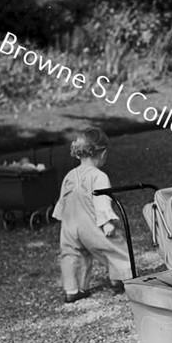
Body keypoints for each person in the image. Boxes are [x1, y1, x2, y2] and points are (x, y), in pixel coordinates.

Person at [52, 128, 131, 303]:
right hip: (90, 224)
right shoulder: (98, 176)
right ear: (102, 153)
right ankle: (121, 279)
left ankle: (73, 289)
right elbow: (102, 201)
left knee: (72, 254)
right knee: (115, 246)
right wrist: (106, 222)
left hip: (70, 226)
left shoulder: (70, 175)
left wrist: (61, 218)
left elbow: (62, 200)